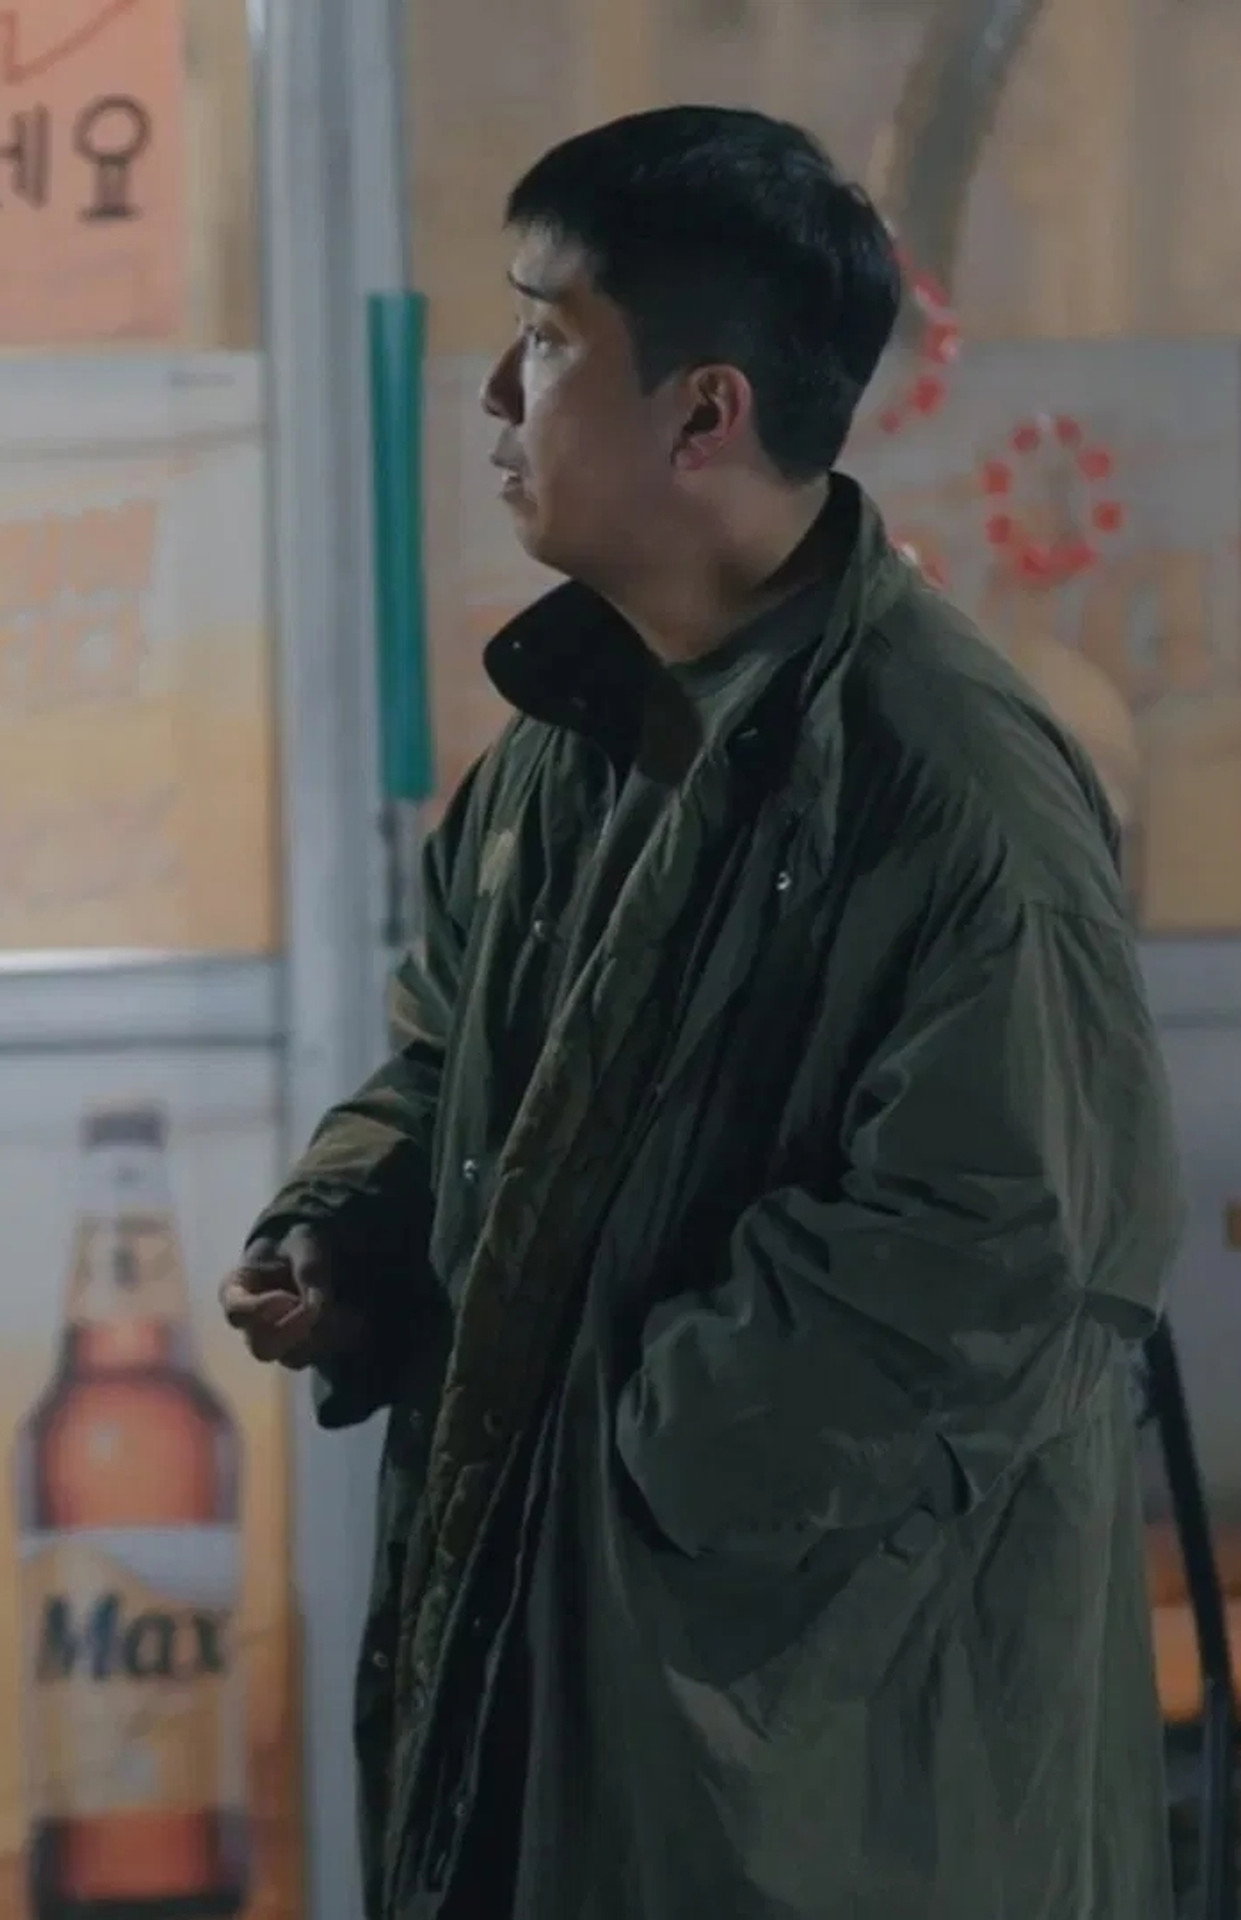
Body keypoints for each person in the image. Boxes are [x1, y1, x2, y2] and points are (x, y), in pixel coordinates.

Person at [220, 105, 1182, 1920]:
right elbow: (449, 1063)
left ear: (704, 412)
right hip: (581, 1697)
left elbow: (1008, 1240)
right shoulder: (569, 748)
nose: (494, 393)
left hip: (814, 1770)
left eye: (545, 337)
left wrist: (637, 1449)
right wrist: (351, 1225)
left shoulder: (948, 786)